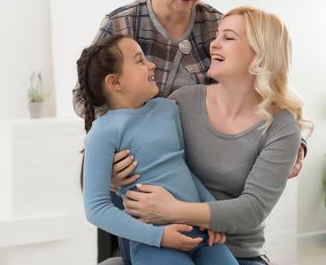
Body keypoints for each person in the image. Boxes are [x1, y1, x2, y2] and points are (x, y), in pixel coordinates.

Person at [72, 0, 306, 263]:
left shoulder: (217, 25)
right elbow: (87, 97)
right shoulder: (121, 25)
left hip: (196, 196)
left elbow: (264, 87)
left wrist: (293, 144)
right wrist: (107, 161)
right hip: (140, 192)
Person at [119, 7, 314, 265]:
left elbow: (252, 210)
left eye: (228, 38)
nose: (214, 44)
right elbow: (145, 158)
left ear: (260, 54)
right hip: (168, 243)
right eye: (217, 36)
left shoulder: (282, 127)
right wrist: (116, 176)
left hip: (239, 254)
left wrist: (173, 209)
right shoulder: (182, 102)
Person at [77, 34, 239, 265]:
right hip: (153, 244)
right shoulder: (103, 132)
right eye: (139, 60)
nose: (151, 64)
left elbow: (182, 169)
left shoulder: (167, 110)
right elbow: (96, 208)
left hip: (201, 236)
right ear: (115, 82)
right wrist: (159, 236)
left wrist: (211, 214)